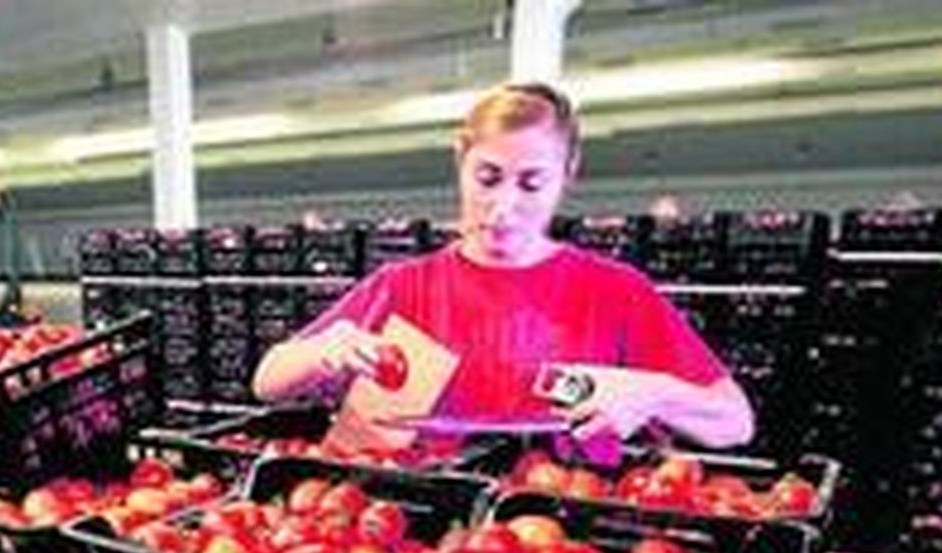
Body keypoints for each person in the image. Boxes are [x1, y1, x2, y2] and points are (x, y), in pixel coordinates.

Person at [251, 82, 754, 450]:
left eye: (531, 184)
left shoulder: (616, 292)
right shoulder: (402, 286)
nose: (503, 206)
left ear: (567, 175)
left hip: (567, 546)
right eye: (488, 177)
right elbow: (267, 381)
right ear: (461, 162)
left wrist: (656, 394)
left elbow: (735, 422)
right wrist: (324, 349)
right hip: (420, 546)